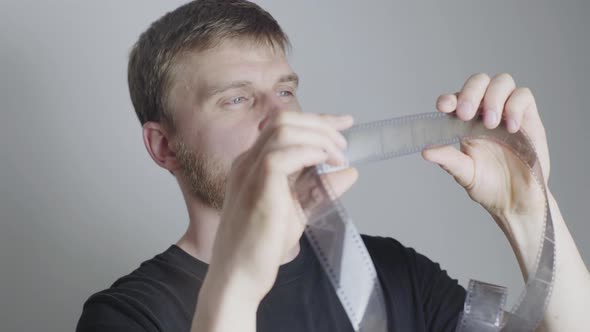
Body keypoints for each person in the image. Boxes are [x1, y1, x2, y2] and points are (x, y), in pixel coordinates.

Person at [76, 1, 590, 331]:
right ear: (163, 146)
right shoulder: (126, 317)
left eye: (284, 91)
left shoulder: (394, 274)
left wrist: (528, 210)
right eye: (236, 100)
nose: (280, 119)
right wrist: (239, 280)